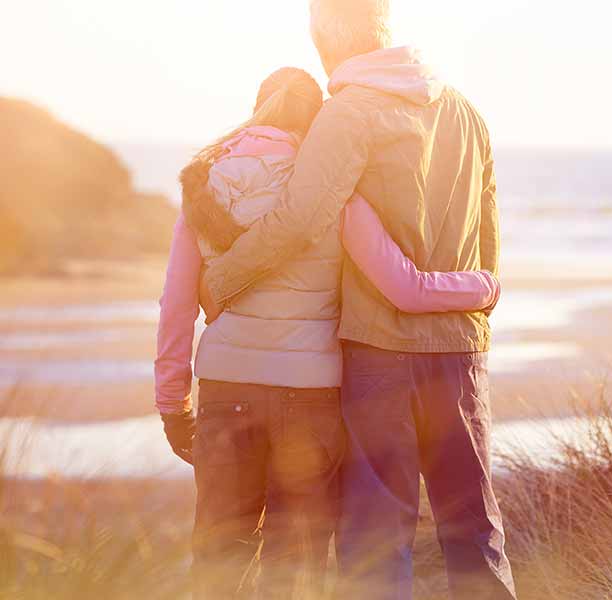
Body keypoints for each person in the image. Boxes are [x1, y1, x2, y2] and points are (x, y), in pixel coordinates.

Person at [199, 1, 518, 598]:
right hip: (460, 348)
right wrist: (477, 309)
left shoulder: (349, 113)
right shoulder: (466, 111)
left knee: (377, 535)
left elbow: (300, 218)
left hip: (381, 351)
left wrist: (221, 281)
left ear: (324, 39)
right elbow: (489, 228)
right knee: (474, 523)